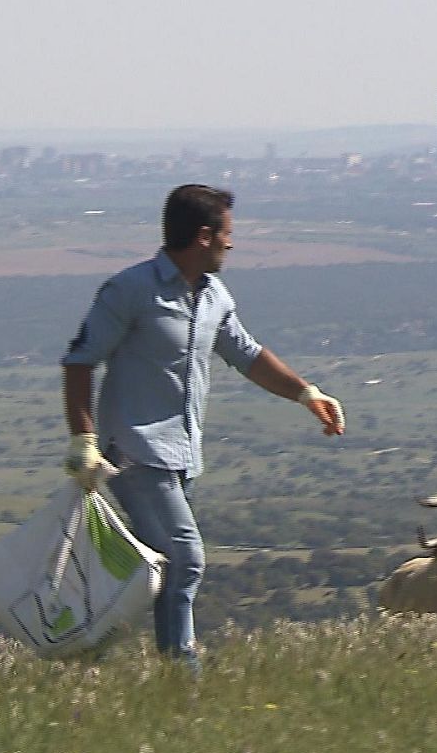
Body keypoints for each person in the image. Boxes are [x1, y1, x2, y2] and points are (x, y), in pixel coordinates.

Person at [61, 183, 344, 672]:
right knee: (187, 558)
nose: (232, 245)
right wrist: (84, 440)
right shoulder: (130, 290)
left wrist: (306, 394)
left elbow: (248, 355)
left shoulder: (213, 295)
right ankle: (182, 672)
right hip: (134, 451)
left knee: (163, 566)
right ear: (204, 236)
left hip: (182, 455)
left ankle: (87, 648)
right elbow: (80, 362)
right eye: (228, 235)